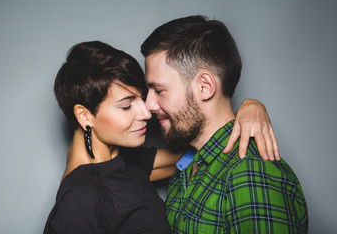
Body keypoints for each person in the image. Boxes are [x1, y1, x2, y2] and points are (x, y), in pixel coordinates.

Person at [44, 40, 279, 233]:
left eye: (142, 98)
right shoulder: (80, 198)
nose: (146, 112)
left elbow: (204, 147)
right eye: (126, 106)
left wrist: (249, 108)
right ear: (85, 116)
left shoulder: (120, 162)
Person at [141, 15, 308, 233]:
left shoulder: (249, 172)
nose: (148, 105)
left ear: (205, 87)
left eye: (159, 90)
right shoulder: (188, 164)